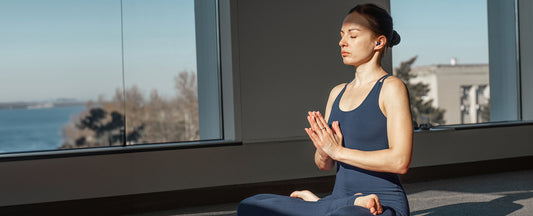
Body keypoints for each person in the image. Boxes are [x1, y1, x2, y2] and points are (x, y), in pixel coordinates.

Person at [237, 3, 412, 216]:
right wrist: (323, 149)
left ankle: (323, 206)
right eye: (342, 35)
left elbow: (400, 161)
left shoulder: (391, 88)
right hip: (341, 201)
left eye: (353, 35)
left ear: (379, 41)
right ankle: (324, 205)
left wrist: (338, 151)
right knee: (251, 205)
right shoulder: (337, 92)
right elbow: (324, 164)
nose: (342, 42)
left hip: (381, 205)